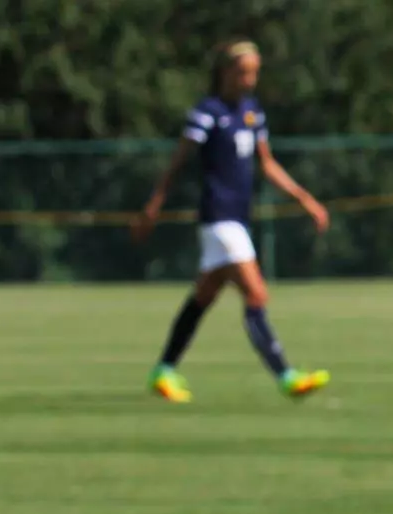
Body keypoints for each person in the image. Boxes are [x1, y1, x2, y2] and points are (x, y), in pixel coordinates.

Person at [132, 40, 330, 403]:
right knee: (256, 293)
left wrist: (306, 199)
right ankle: (287, 377)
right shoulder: (207, 113)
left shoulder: (253, 113)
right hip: (219, 217)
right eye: (244, 72)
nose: (250, 80)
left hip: (237, 218)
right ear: (225, 72)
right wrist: (154, 203)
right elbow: (178, 162)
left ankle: (163, 371)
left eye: (255, 72)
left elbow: (267, 164)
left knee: (203, 297)